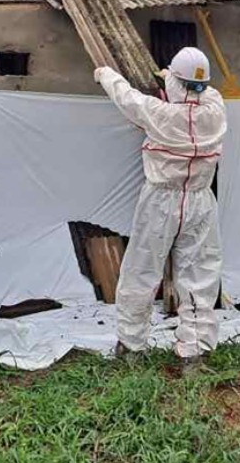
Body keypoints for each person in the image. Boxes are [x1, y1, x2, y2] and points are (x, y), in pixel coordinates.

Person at [94, 47, 227, 366]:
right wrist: (176, 78)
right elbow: (200, 91)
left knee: (141, 272)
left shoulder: (160, 113)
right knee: (200, 276)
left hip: (160, 202)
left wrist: (105, 73)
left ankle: (131, 347)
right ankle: (194, 353)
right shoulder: (215, 109)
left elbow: (127, 98)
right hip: (199, 200)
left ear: (176, 85)